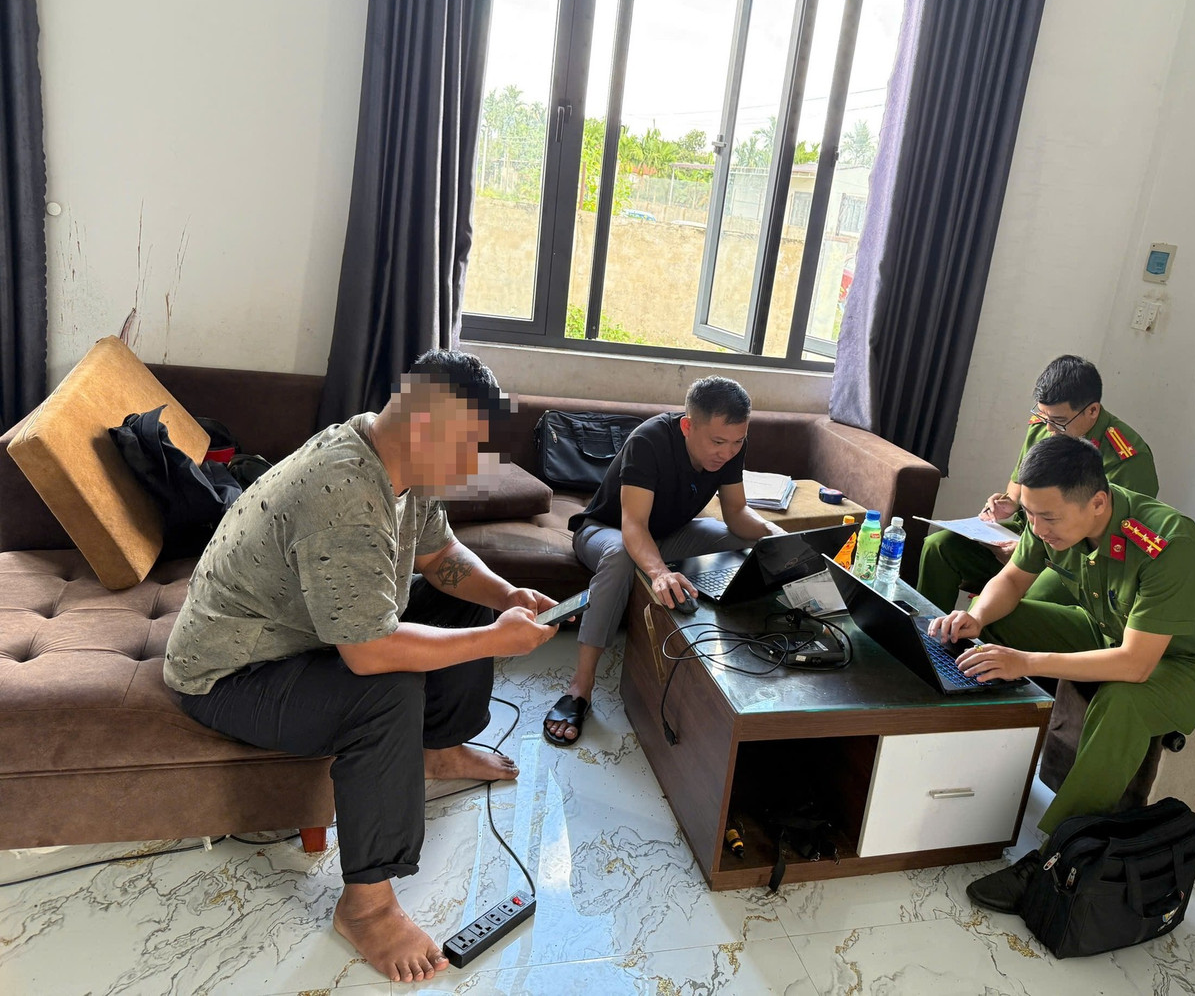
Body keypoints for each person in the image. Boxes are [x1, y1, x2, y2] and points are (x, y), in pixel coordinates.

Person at [163, 350, 559, 984]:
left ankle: (435, 750)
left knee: (461, 605)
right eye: (467, 447)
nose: (471, 466)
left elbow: (440, 557)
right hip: (233, 671)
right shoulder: (342, 489)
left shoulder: (404, 459)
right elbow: (369, 652)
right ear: (425, 423)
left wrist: (505, 597)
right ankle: (366, 907)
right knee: (387, 689)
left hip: (310, 634)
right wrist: (494, 640)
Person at [928, 434, 1195, 914]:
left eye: (1048, 518)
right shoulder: (1048, 513)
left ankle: (1053, 859)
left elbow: (1135, 664)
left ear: (1098, 503)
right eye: (1031, 516)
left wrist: (1026, 661)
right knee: (998, 621)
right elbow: (1012, 579)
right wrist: (977, 617)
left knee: (1122, 701)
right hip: (1107, 632)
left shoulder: (1167, 544)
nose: (1038, 528)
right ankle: (961, 746)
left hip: (1185, 664)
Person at [543, 376, 782, 746]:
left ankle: (755, 642)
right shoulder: (649, 440)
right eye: (718, 442)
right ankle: (580, 686)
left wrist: (775, 534)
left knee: (750, 543)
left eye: (737, 442)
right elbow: (633, 526)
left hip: (670, 535)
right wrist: (659, 573)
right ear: (688, 426)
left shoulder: (732, 444)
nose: (727, 452)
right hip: (605, 531)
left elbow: (736, 513)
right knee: (623, 555)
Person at [916, 355, 1159, 612]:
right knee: (939, 547)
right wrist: (1009, 503)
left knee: (1024, 603)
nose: (1049, 428)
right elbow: (1018, 484)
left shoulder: (1128, 459)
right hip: (1028, 535)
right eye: (1043, 416)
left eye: (1059, 421)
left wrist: (1032, 552)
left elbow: (1110, 539)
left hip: (1079, 560)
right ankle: (924, 632)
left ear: (1092, 411)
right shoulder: (1046, 424)